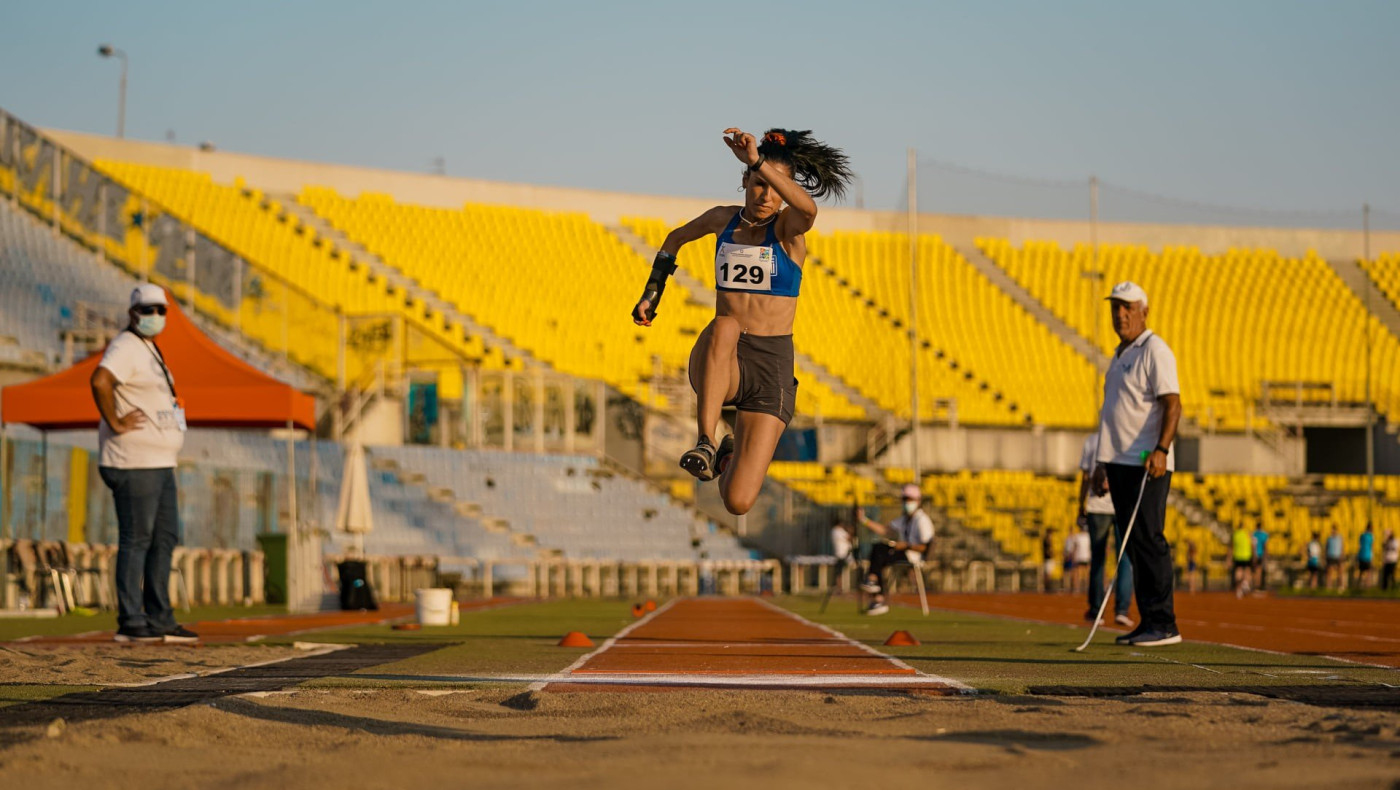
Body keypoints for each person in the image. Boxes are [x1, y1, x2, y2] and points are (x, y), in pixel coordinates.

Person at [633, 128, 852, 516]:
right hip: (724, 358)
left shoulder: (788, 232)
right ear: (745, 182)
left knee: (737, 501)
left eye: (775, 187)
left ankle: (726, 457)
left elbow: (809, 211)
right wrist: (653, 293)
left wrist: (758, 162)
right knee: (726, 324)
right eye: (758, 184)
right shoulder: (722, 220)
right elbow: (674, 238)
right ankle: (706, 441)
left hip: (771, 369)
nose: (766, 195)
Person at [89, 285, 199, 644]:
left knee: (164, 538)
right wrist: (116, 421)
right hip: (134, 461)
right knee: (137, 538)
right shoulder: (125, 346)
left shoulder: (149, 348)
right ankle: (131, 619)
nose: (155, 316)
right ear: (132, 312)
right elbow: (100, 380)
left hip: (161, 462)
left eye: (161, 310)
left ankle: (160, 617)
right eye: (148, 309)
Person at [1090, 281, 1183, 647]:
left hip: (1146, 463)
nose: (1120, 314)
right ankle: (1148, 620)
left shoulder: (1154, 350)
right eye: (1116, 307)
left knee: (1149, 539)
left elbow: (1173, 403)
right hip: (1118, 464)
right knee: (1133, 545)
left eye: (1127, 307)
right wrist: (1101, 463)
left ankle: (1164, 623)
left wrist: (1161, 449)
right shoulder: (1118, 356)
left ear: (1144, 311)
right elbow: (1111, 415)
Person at [1078, 432, 1134, 626]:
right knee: (1125, 558)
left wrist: (1081, 504)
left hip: (1097, 506)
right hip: (1122, 505)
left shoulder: (1092, 440)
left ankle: (1096, 610)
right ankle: (1122, 610)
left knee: (1098, 559)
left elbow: (1086, 476)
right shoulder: (1126, 437)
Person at [856, 485, 934, 616]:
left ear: (918, 501)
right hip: (903, 551)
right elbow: (885, 530)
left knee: (879, 553)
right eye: (904, 500)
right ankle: (874, 585)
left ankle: (876, 591)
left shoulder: (922, 520)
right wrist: (864, 520)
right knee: (878, 550)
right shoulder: (905, 519)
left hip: (913, 555)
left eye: (909, 500)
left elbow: (925, 547)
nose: (906, 503)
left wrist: (906, 546)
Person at [829, 517, 857, 593]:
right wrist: (851, 531)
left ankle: (840, 588)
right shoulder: (838, 531)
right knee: (840, 572)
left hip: (843, 554)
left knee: (839, 572)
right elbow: (849, 538)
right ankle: (840, 588)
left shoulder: (835, 531)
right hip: (843, 554)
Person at [1231, 522, 1254, 597]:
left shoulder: (1235, 534)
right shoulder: (1248, 534)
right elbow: (1252, 545)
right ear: (1243, 526)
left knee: (1238, 571)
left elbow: (1232, 546)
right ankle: (1245, 583)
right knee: (1247, 570)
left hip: (1237, 556)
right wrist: (1253, 555)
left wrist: (1230, 557)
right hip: (1247, 555)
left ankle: (1239, 589)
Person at [1356, 523, 1375, 590]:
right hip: (1368, 556)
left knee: (1361, 572)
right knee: (1368, 572)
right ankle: (1367, 586)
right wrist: (1372, 557)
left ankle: (1358, 585)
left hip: (1361, 555)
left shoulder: (1362, 535)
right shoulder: (1371, 536)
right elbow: (1372, 547)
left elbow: (1359, 545)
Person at [1325, 526, 1345, 590]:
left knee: (1340, 572)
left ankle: (1340, 586)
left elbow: (1342, 548)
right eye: (1332, 530)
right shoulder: (1329, 539)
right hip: (1330, 556)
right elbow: (1326, 548)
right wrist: (1326, 556)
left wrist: (1342, 556)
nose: (1333, 532)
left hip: (1338, 557)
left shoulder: (1340, 538)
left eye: (1334, 530)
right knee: (1329, 572)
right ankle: (1329, 587)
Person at [1251, 523, 1270, 591]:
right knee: (1260, 570)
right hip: (1261, 554)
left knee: (1255, 571)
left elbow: (1253, 546)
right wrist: (1266, 555)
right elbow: (1265, 546)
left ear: (1256, 527)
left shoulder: (1254, 534)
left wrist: (1254, 555)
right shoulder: (1264, 535)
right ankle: (1258, 586)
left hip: (1256, 554)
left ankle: (1255, 585)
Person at [1042, 528, 1059, 593]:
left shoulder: (1048, 541)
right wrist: (1053, 553)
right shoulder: (1046, 541)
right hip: (1048, 559)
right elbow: (1048, 552)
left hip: (1048, 559)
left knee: (1048, 574)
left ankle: (1047, 587)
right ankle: (1047, 587)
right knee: (1048, 574)